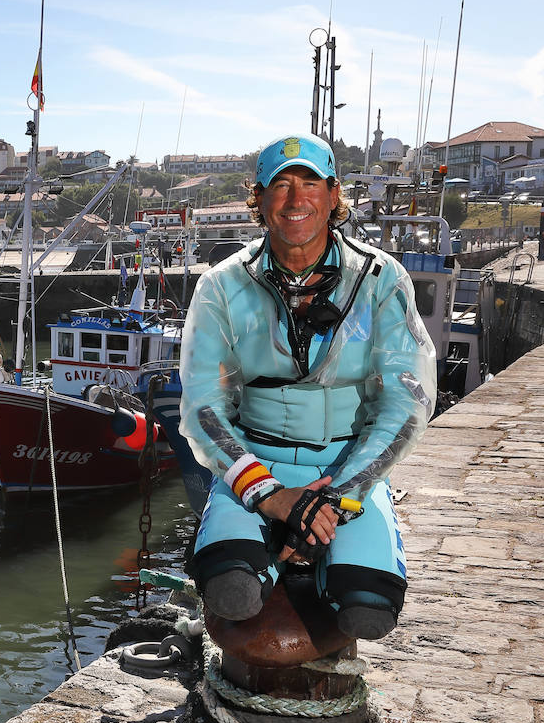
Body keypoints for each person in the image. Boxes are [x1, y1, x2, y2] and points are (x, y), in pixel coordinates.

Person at [178, 133, 436, 641]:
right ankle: (269, 552)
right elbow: (203, 409)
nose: (296, 200)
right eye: (280, 186)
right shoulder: (222, 286)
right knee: (231, 593)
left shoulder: (383, 279)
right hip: (255, 466)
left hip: (347, 471)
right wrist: (270, 496)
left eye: (310, 183)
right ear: (259, 198)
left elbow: (406, 404)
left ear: (334, 195)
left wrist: (336, 498)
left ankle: (315, 556)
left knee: (369, 612)